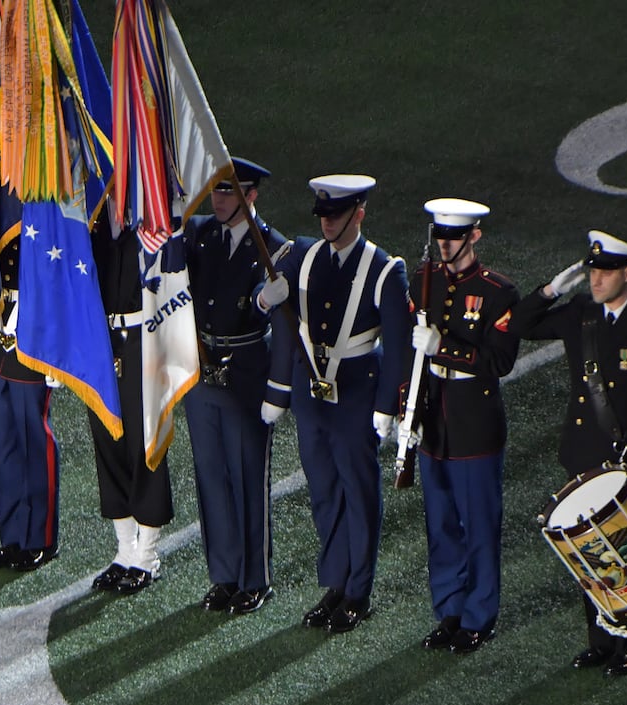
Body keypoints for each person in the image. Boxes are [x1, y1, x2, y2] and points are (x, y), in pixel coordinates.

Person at [509, 231, 627, 676]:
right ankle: (600, 641)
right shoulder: (579, 313)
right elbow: (517, 325)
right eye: (592, 270)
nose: (596, 278)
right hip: (584, 452)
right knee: (590, 551)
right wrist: (552, 289)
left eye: (606, 271)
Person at [255, 174, 409, 632]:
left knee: (358, 494)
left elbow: (398, 348)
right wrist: (266, 299)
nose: (327, 223)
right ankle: (336, 583)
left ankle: (358, 591)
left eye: (336, 215)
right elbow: (270, 311)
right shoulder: (301, 257)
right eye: (322, 214)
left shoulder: (384, 269)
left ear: (358, 213)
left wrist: (387, 406)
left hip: (356, 393)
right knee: (323, 491)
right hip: (311, 395)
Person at [407, 199, 521, 654]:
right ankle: (450, 610)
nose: (444, 244)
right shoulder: (424, 281)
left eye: (453, 237)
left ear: (474, 236)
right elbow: (408, 354)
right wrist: (406, 410)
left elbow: (499, 361)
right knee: (441, 525)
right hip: (435, 419)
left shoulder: (498, 292)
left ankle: (478, 617)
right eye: (439, 236)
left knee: (478, 525)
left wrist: (444, 347)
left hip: (475, 422)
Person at [185, 157, 285, 615]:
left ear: (252, 196)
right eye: (216, 192)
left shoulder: (272, 248)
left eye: (230, 193)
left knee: (247, 476)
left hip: (246, 371)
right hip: (203, 368)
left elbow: (280, 320)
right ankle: (224, 576)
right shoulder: (201, 235)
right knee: (211, 476)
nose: (220, 200)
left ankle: (254, 578)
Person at [87, 208, 174, 595]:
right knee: (109, 443)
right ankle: (124, 551)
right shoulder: (93, 220)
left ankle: (148, 556)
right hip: (102, 342)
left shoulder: (149, 217)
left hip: (144, 340)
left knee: (145, 444)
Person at [0, 243, 60, 571]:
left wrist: (57, 343)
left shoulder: (44, 195)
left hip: (33, 323)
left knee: (32, 435)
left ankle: (40, 537)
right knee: (3, 438)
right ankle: (12, 535)